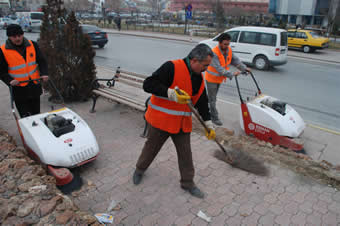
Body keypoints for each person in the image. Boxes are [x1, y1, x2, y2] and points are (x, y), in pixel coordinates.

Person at [133, 44, 216, 199]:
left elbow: (202, 102)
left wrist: (208, 123)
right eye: (205, 65)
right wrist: (169, 93)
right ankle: (139, 170)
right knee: (151, 148)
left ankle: (188, 183)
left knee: (186, 154)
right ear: (195, 61)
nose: (206, 69)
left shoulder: (198, 77)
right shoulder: (171, 67)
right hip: (161, 121)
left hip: (181, 124)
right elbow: (148, 84)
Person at [0, 24, 48, 118]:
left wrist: (44, 73)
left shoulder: (32, 45)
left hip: (34, 85)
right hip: (18, 89)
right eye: (14, 37)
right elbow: (1, 71)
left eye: (19, 35)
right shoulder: (3, 51)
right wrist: (9, 80)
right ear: (9, 37)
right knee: (25, 116)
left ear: (23, 34)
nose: (18, 38)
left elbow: (42, 61)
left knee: (36, 114)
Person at [205, 33, 250, 126]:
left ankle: (205, 108)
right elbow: (220, 69)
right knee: (212, 99)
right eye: (225, 44)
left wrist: (244, 68)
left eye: (228, 44)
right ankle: (214, 118)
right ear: (220, 43)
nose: (227, 46)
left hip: (219, 79)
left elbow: (235, 60)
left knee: (212, 98)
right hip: (211, 79)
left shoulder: (228, 50)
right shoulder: (214, 53)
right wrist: (233, 74)